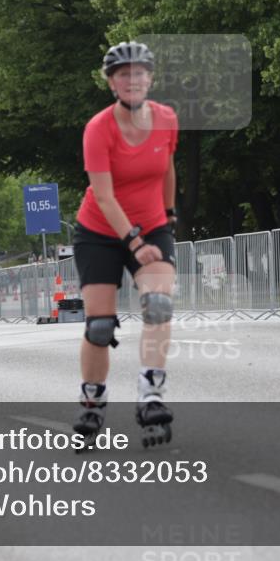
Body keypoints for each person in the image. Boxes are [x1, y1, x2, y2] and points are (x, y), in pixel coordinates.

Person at [72, 41, 179, 449]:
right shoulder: (99, 129)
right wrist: (134, 243)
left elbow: (167, 167)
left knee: (159, 304)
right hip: (100, 230)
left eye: (139, 73)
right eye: (123, 74)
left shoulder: (167, 118)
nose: (132, 80)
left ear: (150, 78)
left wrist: (168, 217)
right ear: (112, 83)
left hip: (151, 225)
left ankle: (150, 394)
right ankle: (92, 402)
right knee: (99, 327)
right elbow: (103, 196)